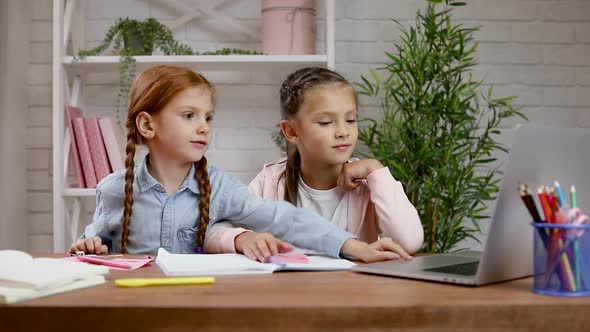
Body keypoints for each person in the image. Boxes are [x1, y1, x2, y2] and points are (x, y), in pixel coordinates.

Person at [69, 65, 411, 264]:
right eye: (189, 116)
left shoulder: (220, 187)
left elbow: (285, 220)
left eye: (208, 117)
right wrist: (88, 247)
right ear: (147, 125)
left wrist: (356, 248)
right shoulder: (114, 189)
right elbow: (92, 248)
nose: (204, 126)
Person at [207, 67, 423, 257]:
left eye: (351, 120)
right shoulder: (271, 181)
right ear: (291, 131)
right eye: (326, 122)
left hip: (356, 295)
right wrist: (242, 239)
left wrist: (376, 170)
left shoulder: (369, 183)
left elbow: (409, 242)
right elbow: (214, 232)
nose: (343, 132)